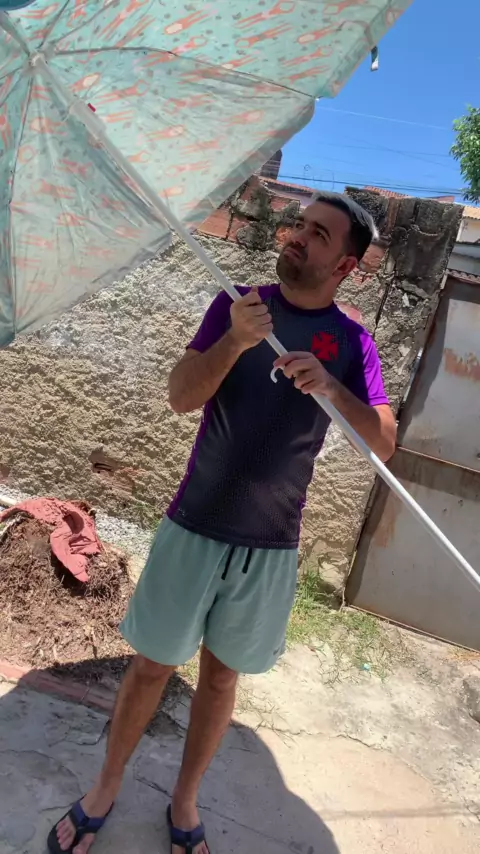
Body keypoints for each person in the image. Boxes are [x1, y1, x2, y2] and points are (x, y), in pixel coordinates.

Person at [48, 191, 397, 854]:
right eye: (299, 224)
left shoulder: (353, 342)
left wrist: (331, 387)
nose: (297, 236)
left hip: (271, 544)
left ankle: (184, 802)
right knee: (152, 666)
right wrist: (235, 339)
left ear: (345, 266)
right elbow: (181, 396)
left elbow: (382, 442)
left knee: (221, 678)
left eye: (318, 234)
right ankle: (104, 790)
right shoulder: (236, 305)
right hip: (194, 525)